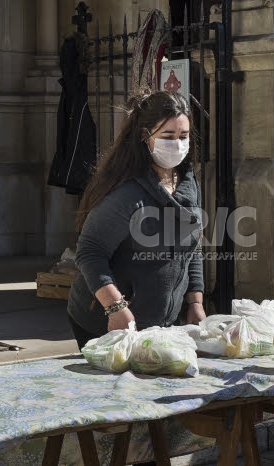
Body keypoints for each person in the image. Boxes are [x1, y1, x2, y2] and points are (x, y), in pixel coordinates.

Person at [67, 90, 206, 348]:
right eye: (167, 136)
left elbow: (193, 246)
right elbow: (89, 252)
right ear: (146, 136)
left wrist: (195, 301)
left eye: (183, 136)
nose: (177, 144)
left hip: (161, 324)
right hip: (108, 323)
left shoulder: (188, 183)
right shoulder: (126, 193)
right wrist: (115, 307)